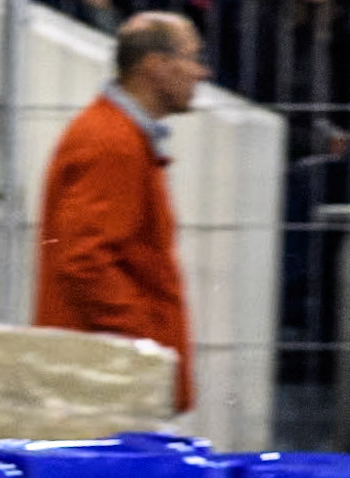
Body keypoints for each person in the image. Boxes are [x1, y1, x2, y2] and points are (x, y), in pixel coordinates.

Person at [32, 12, 209, 415]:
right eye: (193, 57)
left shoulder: (120, 136)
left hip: (106, 376)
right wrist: (149, 348)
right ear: (155, 66)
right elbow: (84, 262)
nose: (202, 71)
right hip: (106, 383)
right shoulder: (112, 143)